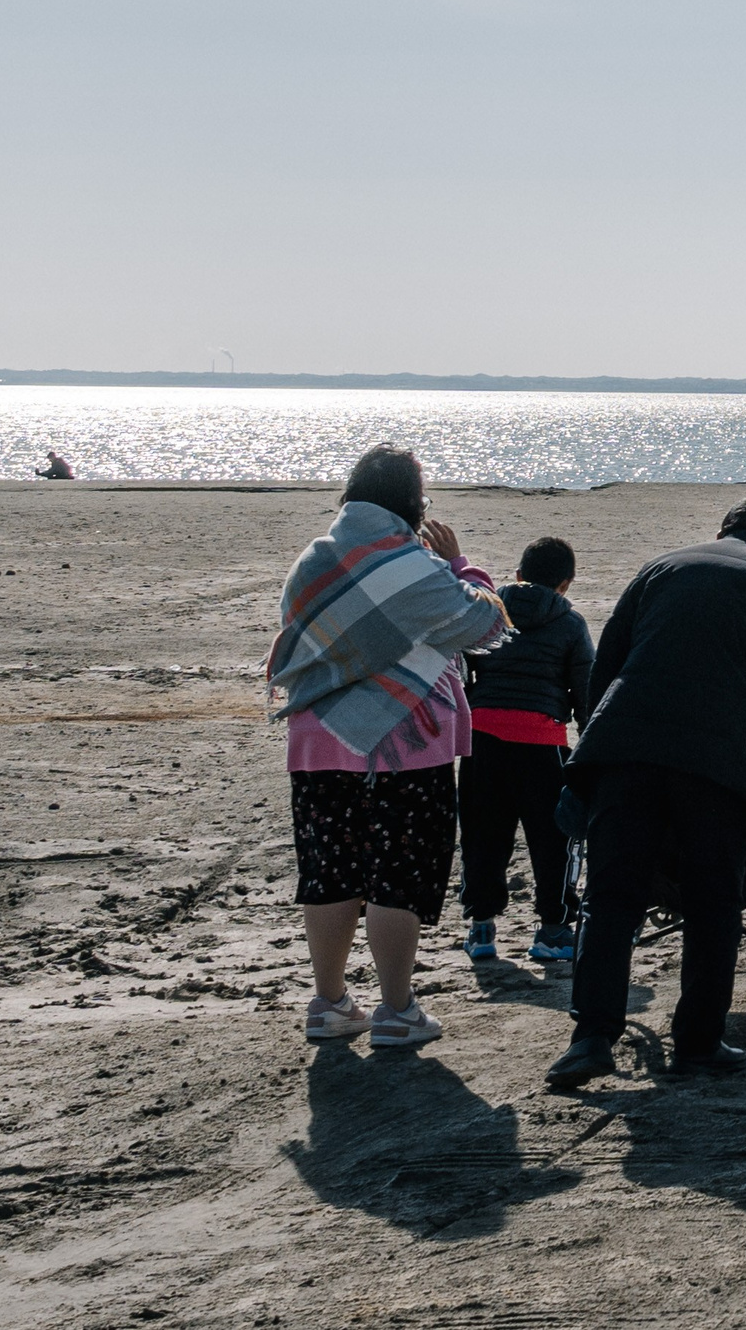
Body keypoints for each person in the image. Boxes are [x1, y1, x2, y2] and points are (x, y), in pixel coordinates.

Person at [546, 496, 746, 1088]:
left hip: (626, 750)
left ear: (722, 530)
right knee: (713, 900)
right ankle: (697, 1042)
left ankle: (591, 1037)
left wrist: (599, 748)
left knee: (612, 898)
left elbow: (606, 667)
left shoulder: (661, 567)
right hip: (721, 762)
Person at [269, 445, 507, 1048]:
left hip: (320, 736)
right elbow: (483, 626)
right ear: (412, 504)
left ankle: (328, 1004)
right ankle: (396, 1011)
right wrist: (461, 565)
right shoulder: (417, 564)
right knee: (400, 873)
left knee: (330, 871)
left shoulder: (313, 560)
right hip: (407, 741)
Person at [460, 535, 594, 964]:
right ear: (566, 584)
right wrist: (589, 741)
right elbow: (585, 693)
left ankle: (481, 927)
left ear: (518, 575)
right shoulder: (571, 624)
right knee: (550, 839)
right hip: (541, 740)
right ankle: (552, 930)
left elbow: (466, 671)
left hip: (482, 738)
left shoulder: (489, 611)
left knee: (483, 833)